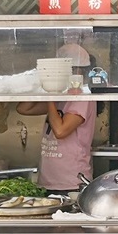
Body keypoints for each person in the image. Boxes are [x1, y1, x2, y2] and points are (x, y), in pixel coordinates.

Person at [16, 43, 97, 195]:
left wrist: (50, 95)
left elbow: (60, 131)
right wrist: (43, 84)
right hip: (48, 181)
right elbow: (23, 108)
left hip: (71, 183)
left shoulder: (83, 97)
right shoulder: (61, 95)